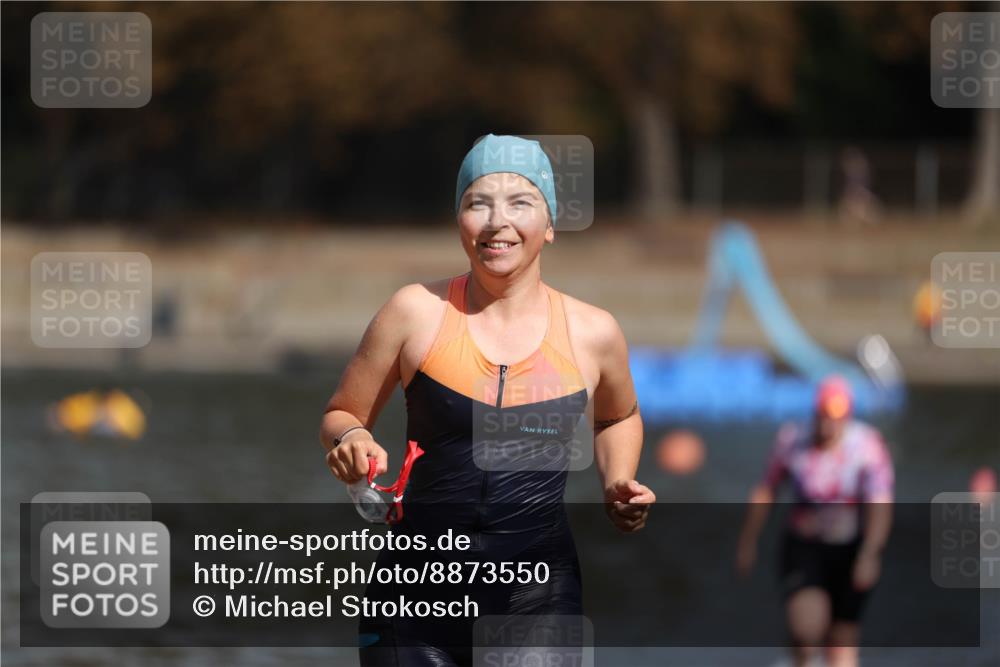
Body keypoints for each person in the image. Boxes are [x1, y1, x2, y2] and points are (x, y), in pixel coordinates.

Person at [319, 134, 654, 666]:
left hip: (538, 598)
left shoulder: (593, 332)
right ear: (460, 221)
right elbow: (343, 413)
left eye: (520, 202)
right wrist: (352, 440)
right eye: (479, 202)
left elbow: (618, 416)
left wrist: (618, 481)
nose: (497, 221)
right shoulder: (414, 312)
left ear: (549, 226)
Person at [737, 375, 893, 667]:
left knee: (842, 639)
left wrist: (871, 552)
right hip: (804, 547)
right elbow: (766, 489)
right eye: (823, 417)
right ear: (815, 413)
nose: (828, 426)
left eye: (836, 418)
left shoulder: (867, 447)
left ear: (847, 417)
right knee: (806, 630)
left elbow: (880, 505)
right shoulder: (792, 440)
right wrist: (748, 542)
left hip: (851, 549)